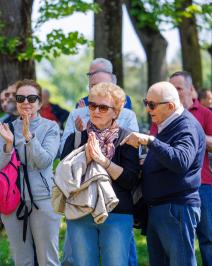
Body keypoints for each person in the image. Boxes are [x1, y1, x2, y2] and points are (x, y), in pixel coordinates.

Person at [122, 81, 205, 266]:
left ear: (170, 106)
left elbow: (181, 161)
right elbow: (168, 155)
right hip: (161, 208)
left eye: (152, 104)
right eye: (146, 102)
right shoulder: (168, 124)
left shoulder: (186, 126)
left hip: (176, 208)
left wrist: (150, 141)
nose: (148, 109)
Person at [60, 82, 140, 266]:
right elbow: (64, 178)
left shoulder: (128, 139)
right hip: (81, 213)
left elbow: (130, 180)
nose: (95, 111)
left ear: (116, 112)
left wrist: (103, 161)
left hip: (117, 214)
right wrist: (85, 160)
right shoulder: (77, 138)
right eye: (92, 105)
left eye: (103, 107)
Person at [0, 79, 61, 266]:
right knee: (22, 260)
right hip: (13, 201)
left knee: (47, 259)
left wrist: (29, 138)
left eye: (31, 98)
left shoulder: (50, 127)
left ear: (40, 102)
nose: (26, 102)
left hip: (43, 199)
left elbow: (44, 161)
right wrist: (8, 144)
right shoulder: (7, 128)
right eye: (21, 98)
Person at [169, 72, 212, 266]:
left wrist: (194, 132)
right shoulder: (164, 112)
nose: (174, 92)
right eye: (171, 88)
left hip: (202, 185)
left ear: (191, 90)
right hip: (173, 186)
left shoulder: (206, 114)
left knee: (207, 237)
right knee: (182, 241)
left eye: (178, 88)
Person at [60, 69, 139, 155]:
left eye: (102, 87)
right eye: (93, 86)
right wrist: (80, 136)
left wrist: (103, 162)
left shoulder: (128, 117)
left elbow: (135, 154)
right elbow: (64, 154)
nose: (97, 91)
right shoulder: (76, 115)